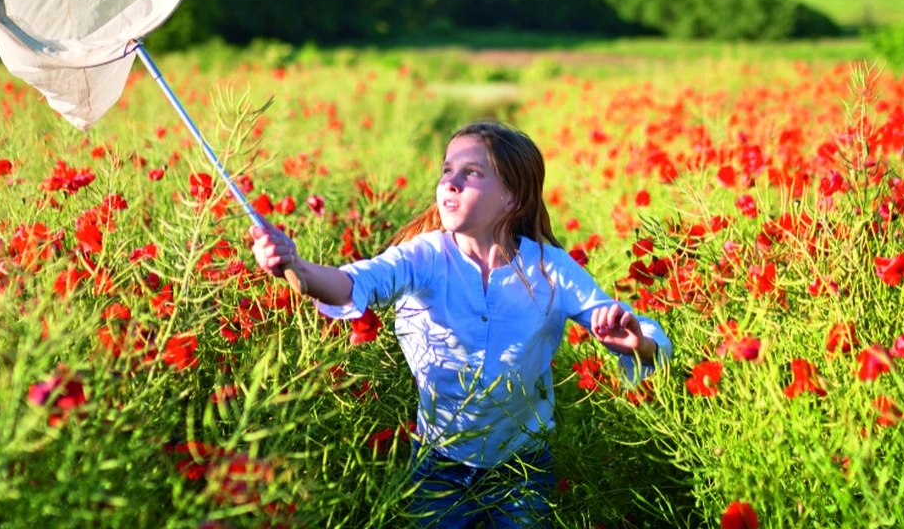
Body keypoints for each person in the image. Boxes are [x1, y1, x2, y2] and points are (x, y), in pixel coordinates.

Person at [249, 120, 672, 528]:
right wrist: (296, 266)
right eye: (448, 170)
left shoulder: (549, 268)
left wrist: (636, 344)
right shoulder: (424, 257)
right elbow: (350, 284)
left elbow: (640, 332)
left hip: (523, 467)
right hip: (438, 463)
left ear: (512, 198)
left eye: (471, 173)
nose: (450, 182)